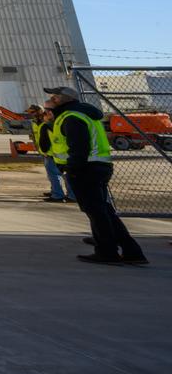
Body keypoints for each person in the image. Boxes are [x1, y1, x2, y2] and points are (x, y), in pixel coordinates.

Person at [43, 86, 146, 265]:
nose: (50, 100)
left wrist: (71, 168)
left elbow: (79, 147)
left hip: (86, 169)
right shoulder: (81, 114)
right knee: (103, 211)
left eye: (53, 97)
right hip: (97, 166)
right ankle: (131, 251)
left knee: (97, 212)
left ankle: (107, 251)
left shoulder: (72, 117)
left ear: (61, 100)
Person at [28, 104, 71, 203]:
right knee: (54, 174)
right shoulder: (35, 122)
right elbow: (35, 136)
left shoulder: (47, 122)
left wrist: (45, 151)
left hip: (51, 152)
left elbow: (46, 139)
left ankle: (58, 194)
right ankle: (56, 191)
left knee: (56, 174)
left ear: (39, 111)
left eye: (33, 112)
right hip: (46, 152)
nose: (31, 114)